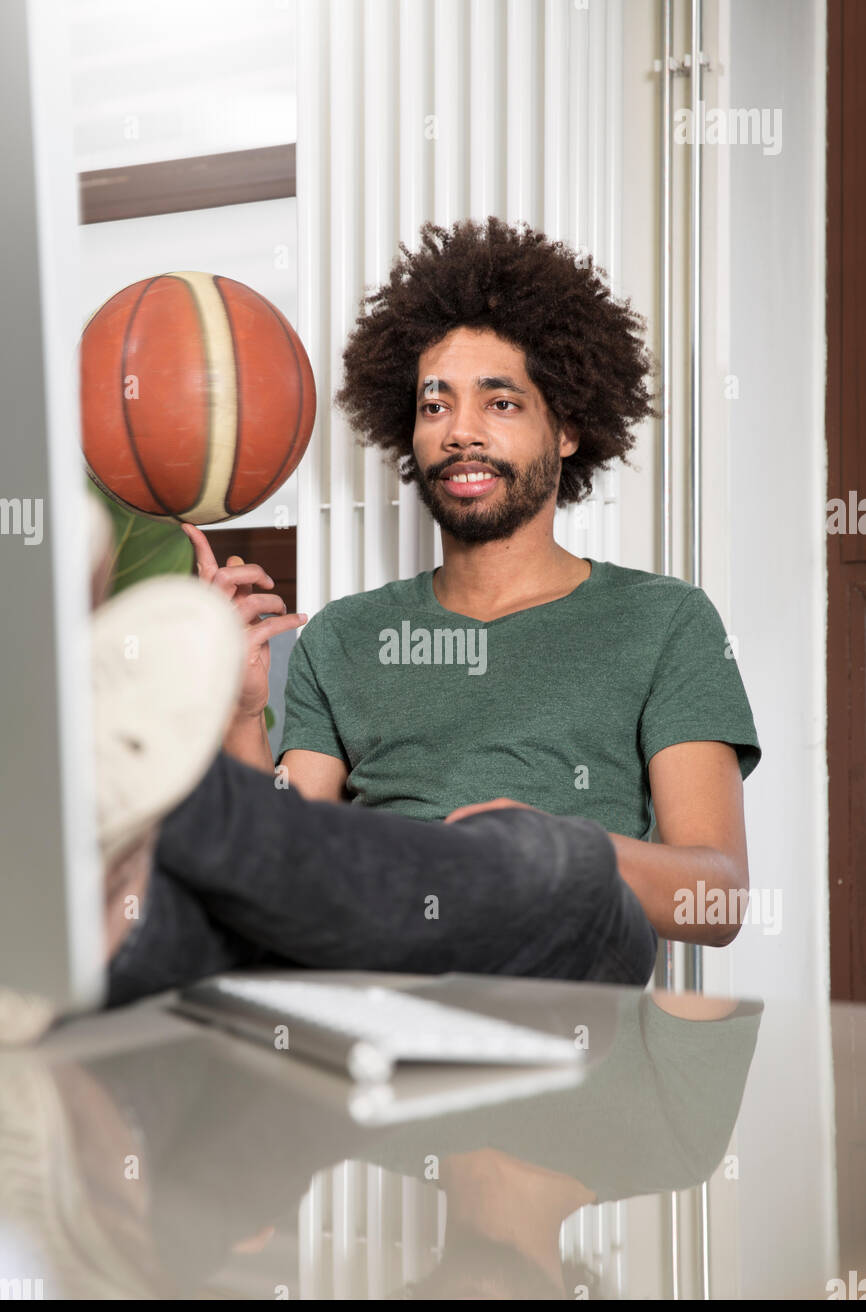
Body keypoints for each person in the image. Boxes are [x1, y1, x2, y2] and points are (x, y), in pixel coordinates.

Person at [186, 215, 761, 957]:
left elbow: (715, 899)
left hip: (552, 951)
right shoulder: (343, 638)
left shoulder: (664, 621)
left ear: (566, 429)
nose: (460, 431)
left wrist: (557, 850)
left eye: (501, 402)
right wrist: (240, 714)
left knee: (572, 907)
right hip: (371, 955)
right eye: (435, 405)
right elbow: (272, 873)